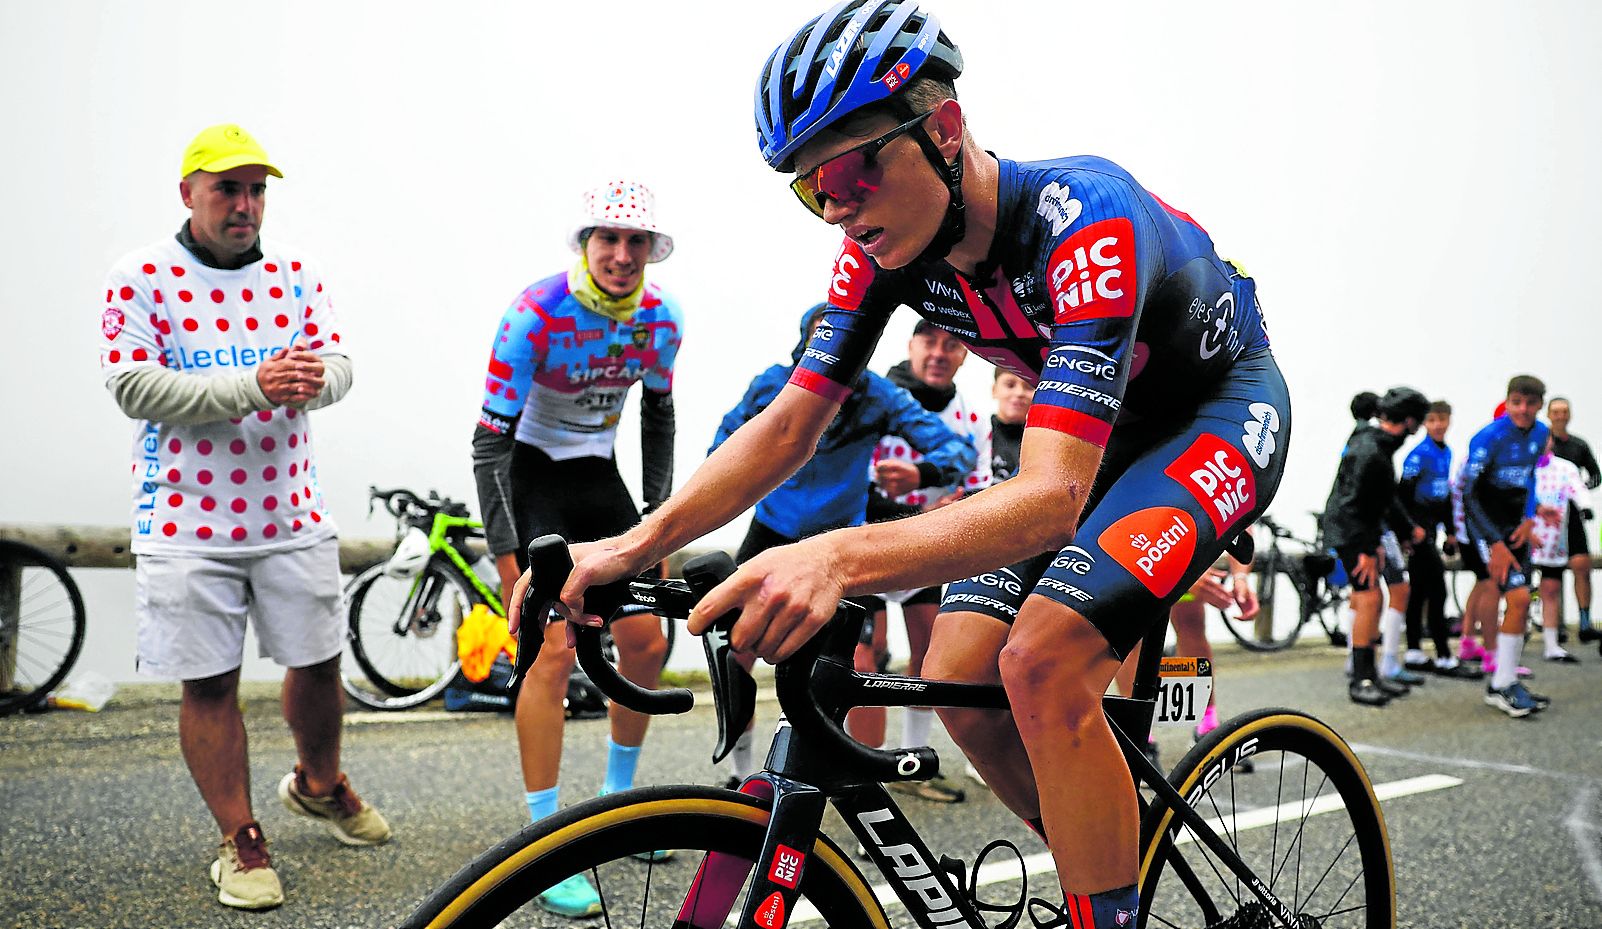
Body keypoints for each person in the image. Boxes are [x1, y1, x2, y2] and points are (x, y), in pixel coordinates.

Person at [511, 5, 1292, 924]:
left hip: (1212, 413)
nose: (836, 207)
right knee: (960, 672)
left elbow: (1052, 497)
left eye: (849, 171)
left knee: (1040, 659)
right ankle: (1108, 865)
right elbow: (788, 425)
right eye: (810, 189)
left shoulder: (1086, 219)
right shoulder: (879, 253)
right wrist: (633, 546)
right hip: (1099, 435)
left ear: (945, 131)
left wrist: (836, 555)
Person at [98, 124, 388, 911]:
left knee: (320, 662)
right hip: (186, 518)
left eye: (257, 190)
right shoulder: (140, 275)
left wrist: (314, 381)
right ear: (187, 192)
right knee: (210, 681)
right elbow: (131, 384)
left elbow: (340, 364)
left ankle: (319, 784)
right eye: (228, 188)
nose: (246, 205)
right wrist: (253, 386)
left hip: (291, 508)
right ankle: (240, 836)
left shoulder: (296, 272)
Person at [472, 179, 683, 919]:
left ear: (651, 250)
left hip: (599, 477)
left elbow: (658, 418)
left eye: (636, 242)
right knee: (551, 653)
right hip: (533, 480)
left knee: (646, 641)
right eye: (608, 240)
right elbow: (489, 447)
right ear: (585, 244)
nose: (622, 255)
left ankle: (618, 806)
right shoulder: (535, 313)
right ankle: (544, 840)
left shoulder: (661, 318)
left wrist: (658, 519)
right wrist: (508, 556)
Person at [712, 304, 976, 787]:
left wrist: (922, 473)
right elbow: (720, 449)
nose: (832, 353)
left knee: (859, 664)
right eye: (821, 342)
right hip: (771, 531)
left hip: (839, 543)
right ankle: (740, 774)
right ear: (802, 345)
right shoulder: (773, 385)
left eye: (846, 344)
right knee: (738, 652)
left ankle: (861, 782)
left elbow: (958, 449)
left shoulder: (877, 394)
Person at [856, 320, 992, 803]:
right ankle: (864, 775)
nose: (938, 353)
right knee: (865, 661)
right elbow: (851, 487)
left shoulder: (972, 418)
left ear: (964, 354)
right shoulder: (877, 401)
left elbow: (978, 491)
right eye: (929, 341)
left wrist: (952, 508)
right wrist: (917, 509)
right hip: (867, 546)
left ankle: (912, 766)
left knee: (930, 658)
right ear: (911, 345)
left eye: (951, 344)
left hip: (927, 549)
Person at [1323, 388, 1429, 706]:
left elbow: (1381, 499)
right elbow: (1355, 504)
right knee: (1368, 597)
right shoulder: (1373, 453)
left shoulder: (1374, 443)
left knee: (1374, 597)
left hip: (1354, 529)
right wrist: (1367, 550)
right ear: (1410, 421)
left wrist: (1400, 532)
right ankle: (1361, 679)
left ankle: (1371, 672)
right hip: (1350, 532)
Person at [1458, 375, 1551, 717]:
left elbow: (1530, 479)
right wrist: (1494, 542)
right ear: (1507, 402)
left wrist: (1529, 518)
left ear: (1540, 405)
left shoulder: (1541, 434)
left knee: (1521, 603)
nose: (1523, 409)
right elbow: (1469, 496)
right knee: (1517, 598)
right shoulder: (1488, 437)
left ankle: (1505, 681)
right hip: (1487, 528)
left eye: (1530, 403)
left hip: (1517, 528)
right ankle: (1501, 682)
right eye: (1516, 402)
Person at [1397, 401, 1481, 678]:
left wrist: (1451, 531)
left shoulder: (1446, 452)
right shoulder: (1419, 454)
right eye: (1432, 420)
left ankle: (1414, 652)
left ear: (1449, 421)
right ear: (1424, 423)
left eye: (1442, 420)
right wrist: (1409, 530)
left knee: (1420, 591)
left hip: (1433, 528)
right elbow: (1403, 494)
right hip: (1418, 530)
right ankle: (1444, 656)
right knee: (1437, 591)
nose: (1437, 425)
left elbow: (1444, 496)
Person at [1531, 434, 1591, 662]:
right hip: (1526, 536)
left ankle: (1551, 644)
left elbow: (1578, 489)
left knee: (1551, 589)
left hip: (1553, 539)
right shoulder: (1523, 466)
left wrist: (1585, 506)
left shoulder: (1565, 468)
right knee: (1521, 593)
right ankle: (1510, 642)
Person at [1547, 397, 1599, 645]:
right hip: (1547, 518)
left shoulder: (1579, 445)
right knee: (1548, 574)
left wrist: (1580, 493)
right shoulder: (1541, 443)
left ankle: (1585, 622)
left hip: (1573, 515)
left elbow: (1596, 475)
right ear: (1549, 415)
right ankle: (1550, 623)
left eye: (1564, 411)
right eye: (1556, 412)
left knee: (1581, 565)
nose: (1560, 416)